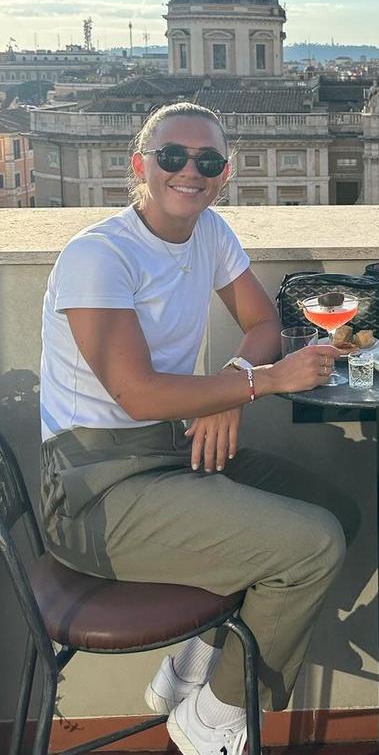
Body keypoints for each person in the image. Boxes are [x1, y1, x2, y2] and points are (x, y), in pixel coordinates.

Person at [39, 101, 352, 755]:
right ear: (139, 166)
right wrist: (258, 382)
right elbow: (137, 391)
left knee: (338, 508)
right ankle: (214, 717)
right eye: (172, 157)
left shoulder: (209, 231)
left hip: (167, 453)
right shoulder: (98, 255)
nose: (190, 171)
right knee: (311, 544)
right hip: (95, 490)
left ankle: (190, 666)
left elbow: (263, 323)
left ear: (224, 172)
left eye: (206, 161)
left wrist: (231, 386)